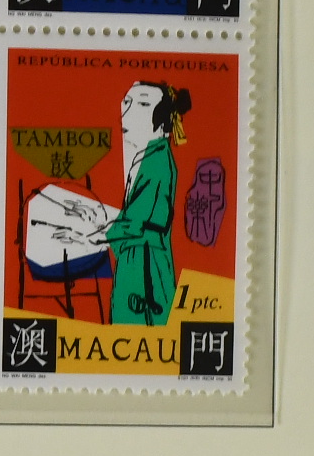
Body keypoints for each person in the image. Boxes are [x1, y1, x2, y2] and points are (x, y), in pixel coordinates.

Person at [24, 80, 190, 328]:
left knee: (142, 332)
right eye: (127, 102)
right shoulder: (146, 157)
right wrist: (96, 218)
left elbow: (139, 224)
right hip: (135, 260)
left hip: (147, 269)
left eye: (143, 104)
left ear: (163, 124)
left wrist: (88, 236)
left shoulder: (158, 162)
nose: (127, 111)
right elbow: (134, 217)